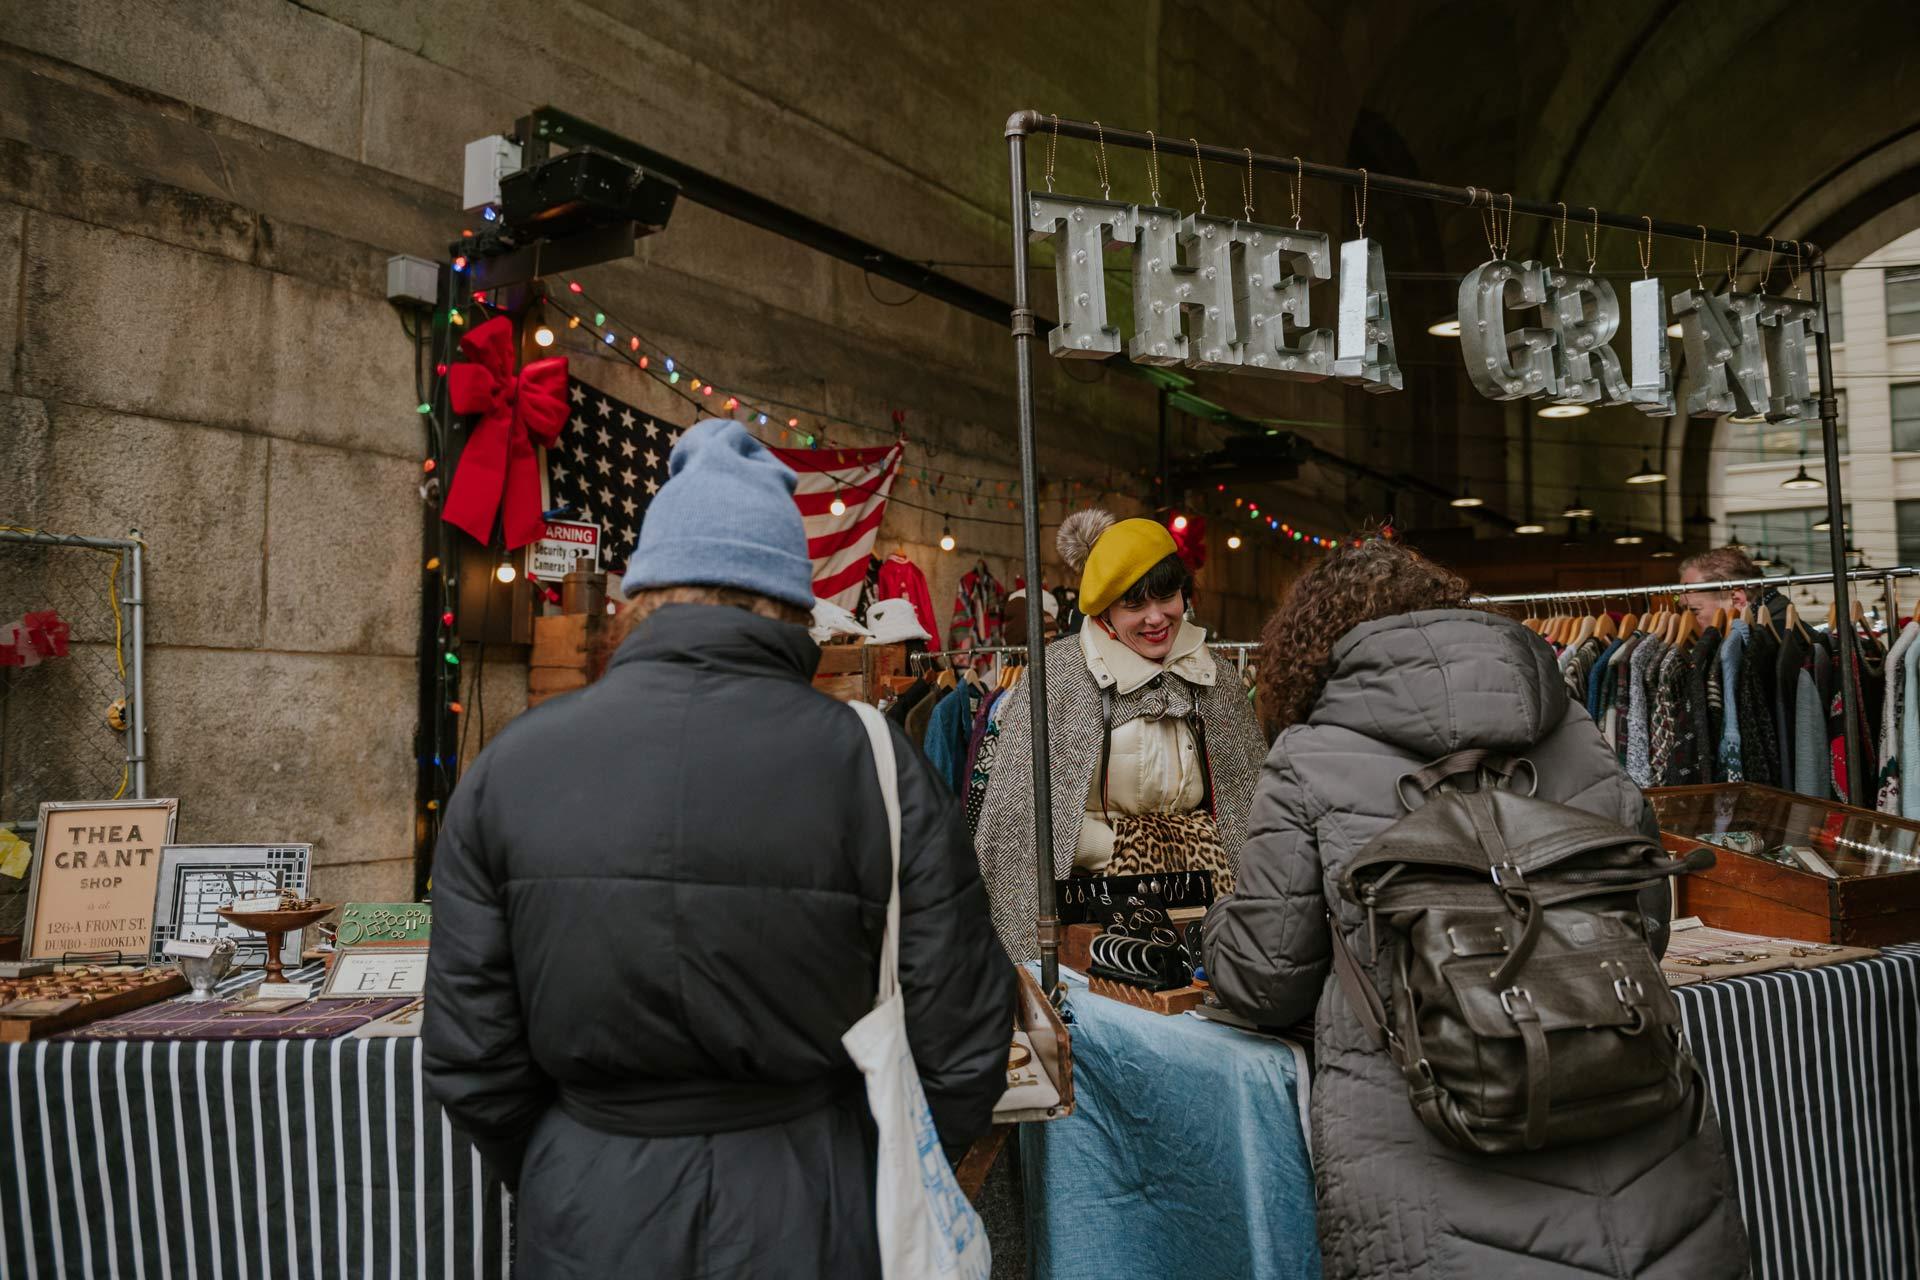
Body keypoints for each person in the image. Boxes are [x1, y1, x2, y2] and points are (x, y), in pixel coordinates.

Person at [423, 420, 1015, 1280]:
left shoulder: (509, 766)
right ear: (788, 601)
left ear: (643, 593)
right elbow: (965, 1035)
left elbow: (471, 1059)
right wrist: (856, 1158)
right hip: (813, 1209)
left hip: (590, 1215)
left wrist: (576, 1165)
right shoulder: (875, 760)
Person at [1204, 539, 1749, 1280]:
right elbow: (1645, 923)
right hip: (1645, 1149)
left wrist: (1213, 927)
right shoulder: (1574, 728)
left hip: (1442, 1169)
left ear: (1313, 644)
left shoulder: (1309, 757)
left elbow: (1265, 980)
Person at [975, 508, 1266, 960]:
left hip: (1205, 908)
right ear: (1107, 610)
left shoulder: (1214, 675)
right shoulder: (1060, 677)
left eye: (1166, 596)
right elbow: (1019, 822)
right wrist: (1115, 848)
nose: (1156, 618)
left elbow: (1247, 802)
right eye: (1135, 605)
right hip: (1095, 913)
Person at [1680, 544, 1787, 634]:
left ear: (1737, 600)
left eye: (1693, 610)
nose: (1684, 622)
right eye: (1683, 611)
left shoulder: (1770, 644)